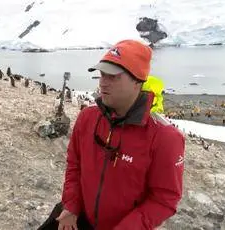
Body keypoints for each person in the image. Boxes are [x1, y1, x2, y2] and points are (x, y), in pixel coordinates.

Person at [56, 40, 185, 229]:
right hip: (80, 217)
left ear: (137, 80)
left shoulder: (165, 137)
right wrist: (71, 206)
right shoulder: (88, 117)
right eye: (102, 74)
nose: (102, 82)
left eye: (113, 76)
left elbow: (164, 198)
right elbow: (75, 164)